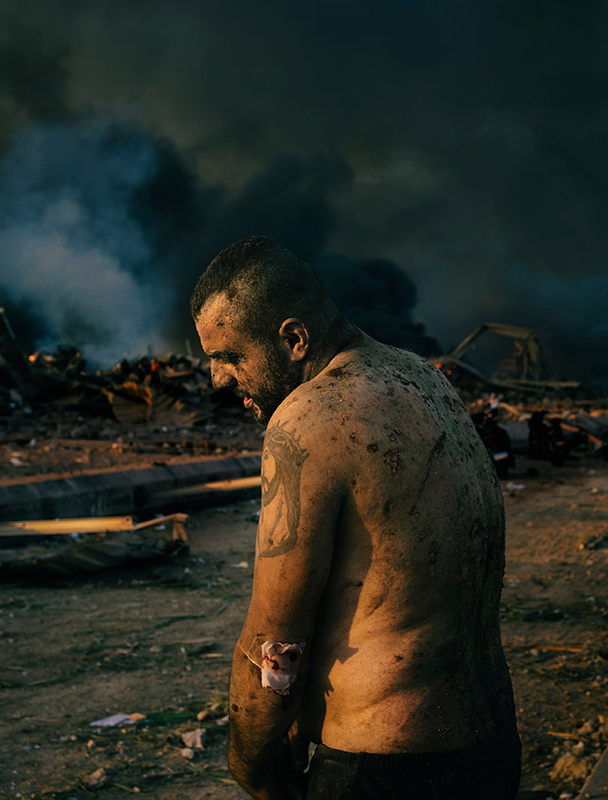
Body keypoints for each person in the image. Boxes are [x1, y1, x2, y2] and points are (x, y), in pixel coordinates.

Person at [191, 236, 519, 800]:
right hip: (488, 748)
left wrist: (250, 765)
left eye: (230, 356)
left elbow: (276, 641)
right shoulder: (425, 379)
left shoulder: (306, 418)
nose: (217, 379)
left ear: (294, 339)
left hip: (387, 772)